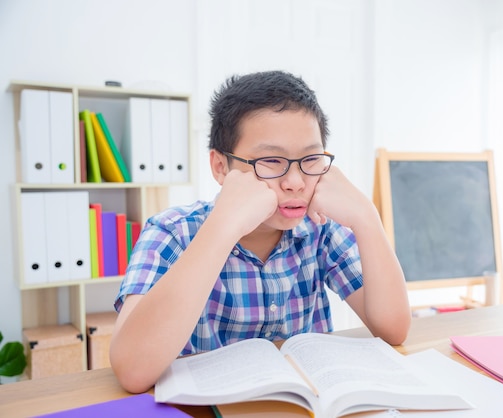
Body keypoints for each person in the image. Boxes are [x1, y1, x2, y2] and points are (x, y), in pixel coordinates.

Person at [109, 70, 411, 393]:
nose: (295, 182)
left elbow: (394, 329)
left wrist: (367, 217)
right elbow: (132, 369)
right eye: (270, 161)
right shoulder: (172, 232)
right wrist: (225, 226)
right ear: (220, 167)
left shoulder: (320, 227)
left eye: (310, 159)